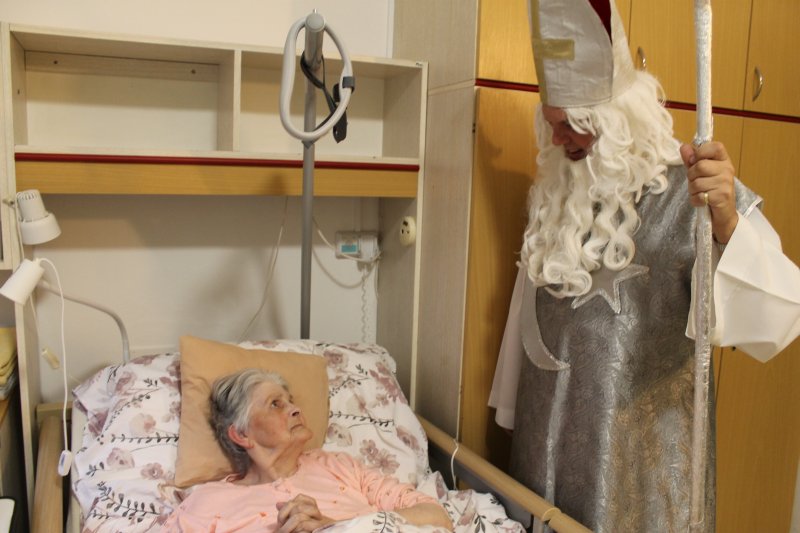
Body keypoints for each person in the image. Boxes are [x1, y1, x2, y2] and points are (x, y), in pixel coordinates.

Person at [488, 1, 800, 532]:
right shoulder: (557, 192)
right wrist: (511, 412)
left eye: (573, 126)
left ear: (615, 120)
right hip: (547, 447)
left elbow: (777, 317)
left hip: (641, 471)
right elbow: (528, 321)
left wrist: (726, 220)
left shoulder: (692, 195)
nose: (558, 140)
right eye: (552, 124)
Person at [164, 368, 452, 532]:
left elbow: (436, 516)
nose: (295, 409)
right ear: (241, 434)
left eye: (291, 401)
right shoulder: (207, 503)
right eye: (276, 404)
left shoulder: (339, 467)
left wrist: (335, 527)